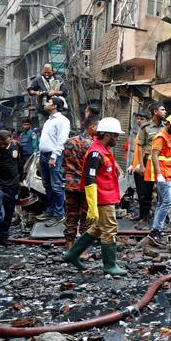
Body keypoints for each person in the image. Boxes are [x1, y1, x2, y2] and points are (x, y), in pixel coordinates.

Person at [63, 117, 127, 275]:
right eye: (116, 136)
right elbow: (90, 179)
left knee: (98, 228)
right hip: (102, 198)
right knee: (109, 229)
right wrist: (92, 206)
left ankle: (72, 254)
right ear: (107, 135)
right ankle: (110, 266)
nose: (118, 139)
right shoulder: (96, 153)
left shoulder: (103, 152)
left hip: (107, 196)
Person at [147, 114, 171, 246]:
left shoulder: (168, 137)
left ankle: (156, 230)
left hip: (167, 174)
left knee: (162, 202)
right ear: (170, 125)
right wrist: (158, 174)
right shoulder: (161, 137)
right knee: (168, 201)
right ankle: (156, 230)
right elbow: (154, 156)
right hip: (163, 174)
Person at [62, 116, 98, 252]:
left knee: (70, 215)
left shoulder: (69, 142)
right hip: (85, 185)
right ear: (92, 127)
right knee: (85, 217)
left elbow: (64, 163)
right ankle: (82, 251)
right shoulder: (92, 145)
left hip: (70, 183)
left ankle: (69, 246)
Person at [36, 97, 71, 226]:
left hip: (53, 156)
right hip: (44, 155)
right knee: (47, 185)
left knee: (56, 186)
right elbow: (44, 141)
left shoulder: (62, 121)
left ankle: (59, 214)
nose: (45, 104)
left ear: (55, 106)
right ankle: (50, 210)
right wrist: (39, 157)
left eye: (48, 102)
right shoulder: (48, 121)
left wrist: (54, 156)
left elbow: (62, 140)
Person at [135, 103, 166, 229]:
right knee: (145, 193)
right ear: (155, 112)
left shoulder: (166, 127)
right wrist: (141, 166)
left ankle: (161, 219)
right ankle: (144, 218)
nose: (165, 112)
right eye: (162, 110)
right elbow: (140, 146)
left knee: (162, 192)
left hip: (161, 162)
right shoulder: (145, 127)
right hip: (148, 161)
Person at [0, 130, 22, 246]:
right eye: (0, 143)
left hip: (12, 185)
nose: (3, 145)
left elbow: (20, 163)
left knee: (8, 212)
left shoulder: (16, 146)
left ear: (10, 139)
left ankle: (3, 237)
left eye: (5, 143)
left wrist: (21, 179)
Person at [126, 112, 149, 216]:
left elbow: (146, 151)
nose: (139, 120)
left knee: (144, 194)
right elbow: (136, 151)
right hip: (137, 167)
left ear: (147, 120)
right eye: (138, 118)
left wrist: (141, 164)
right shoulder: (139, 132)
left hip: (143, 167)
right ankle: (141, 216)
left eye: (142, 118)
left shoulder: (148, 132)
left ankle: (144, 217)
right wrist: (132, 164)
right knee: (139, 193)